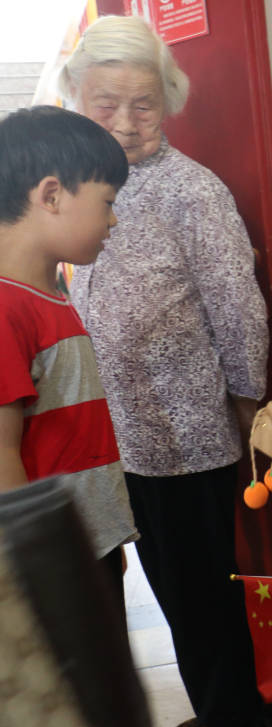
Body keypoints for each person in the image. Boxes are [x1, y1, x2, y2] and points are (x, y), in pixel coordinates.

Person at [59, 15, 272, 727]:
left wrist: (248, 402)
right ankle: (233, 704)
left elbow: (237, 307)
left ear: (168, 102)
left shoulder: (190, 189)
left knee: (200, 589)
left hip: (189, 433)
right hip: (125, 432)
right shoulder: (83, 186)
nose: (122, 120)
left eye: (141, 104)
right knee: (174, 584)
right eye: (104, 102)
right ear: (76, 98)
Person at [0, 106, 136, 614]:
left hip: (81, 548)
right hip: (44, 562)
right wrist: (32, 565)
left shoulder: (50, 295)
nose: (114, 218)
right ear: (52, 195)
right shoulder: (7, 306)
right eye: (107, 201)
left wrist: (106, 539)